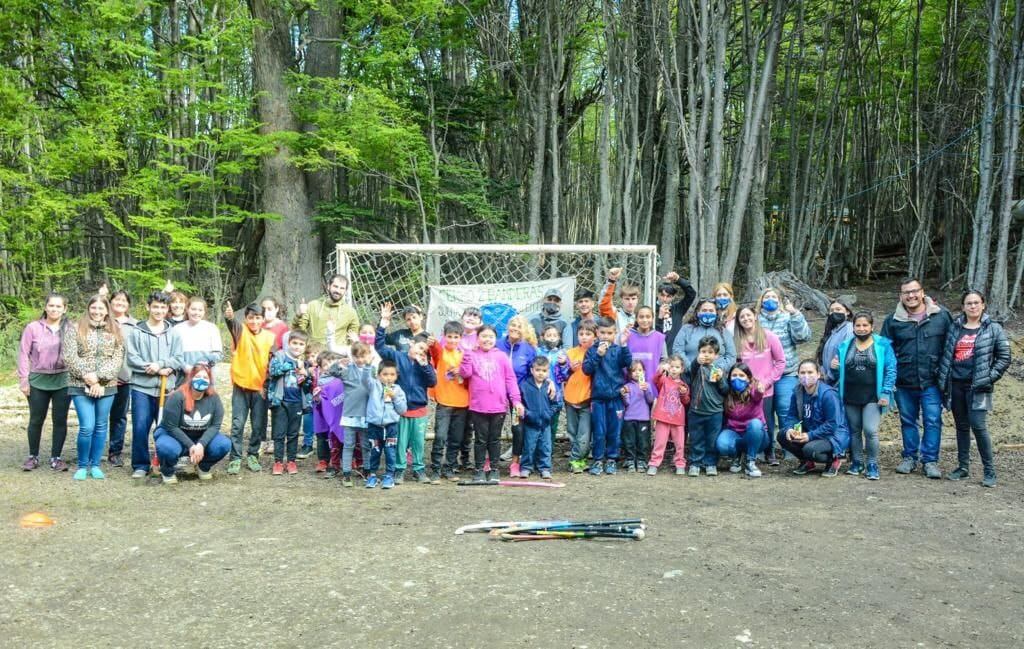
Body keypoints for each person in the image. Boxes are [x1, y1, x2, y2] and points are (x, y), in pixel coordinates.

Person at [880, 277, 953, 478]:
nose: (911, 296)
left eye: (914, 291)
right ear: (901, 296)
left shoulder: (942, 316)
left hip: (932, 381)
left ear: (922, 292)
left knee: (933, 420)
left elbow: (951, 346)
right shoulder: (892, 321)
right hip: (904, 382)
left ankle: (930, 461)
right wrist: (888, 381)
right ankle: (910, 457)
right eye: (906, 292)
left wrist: (947, 376)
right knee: (908, 421)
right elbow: (885, 351)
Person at [936, 291, 1010, 488]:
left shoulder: (993, 328)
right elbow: (946, 354)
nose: (973, 306)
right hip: (956, 385)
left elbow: (1004, 357)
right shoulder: (955, 327)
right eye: (969, 303)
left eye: (977, 303)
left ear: (983, 305)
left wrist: (988, 378)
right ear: (963, 307)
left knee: (978, 426)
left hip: (979, 387)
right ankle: (963, 467)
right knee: (961, 427)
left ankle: (989, 470)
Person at [64, 295, 125, 481]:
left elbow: (117, 359)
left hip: (107, 385)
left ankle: (96, 464)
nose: (97, 312)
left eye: (101, 308)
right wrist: (89, 378)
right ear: (88, 308)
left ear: (107, 310)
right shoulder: (75, 328)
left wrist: (99, 379)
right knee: (87, 426)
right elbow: (69, 356)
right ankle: (83, 465)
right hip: (80, 384)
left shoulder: (115, 330)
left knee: (101, 426)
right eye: (94, 308)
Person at [376, 302, 437, 484]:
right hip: (401, 408)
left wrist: (425, 365)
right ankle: (399, 469)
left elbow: (433, 381)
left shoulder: (424, 365)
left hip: (419, 408)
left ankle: (419, 469)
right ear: (410, 345)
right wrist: (383, 323)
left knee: (418, 442)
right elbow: (379, 346)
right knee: (400, 442)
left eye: (423, 351)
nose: (419, 352)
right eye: (418, 348)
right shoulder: (398, 357)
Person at [125, 291, 184, 478]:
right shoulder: (137, 331)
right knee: (141, 427)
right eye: (155, 307)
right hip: (141, 388)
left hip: (166, 389)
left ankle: (167, 463)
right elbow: (132, 358)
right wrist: (153, 368)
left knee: (166, 427)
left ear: (167, 310)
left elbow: (178, 358)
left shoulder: (173, 333)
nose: (159, 310)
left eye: (163, 307)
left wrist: (164, 365)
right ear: (148, 307)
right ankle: (141, 465)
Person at [834, 312, 897, 480]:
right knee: (854, 431)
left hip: (873, 396)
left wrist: (886, 392)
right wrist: (834, 367)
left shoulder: (883, 345)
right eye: (858, 326)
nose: (861, 329)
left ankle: (872, 463)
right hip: (849, 395)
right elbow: (837, 371)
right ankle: (857, 462)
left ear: (871, 326)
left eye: (865, 325)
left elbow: (891, 370)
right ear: (853, 327)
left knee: (870, 430)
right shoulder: (844, 346)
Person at [460, 324, 523, 483]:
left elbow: (510, 379)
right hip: (478, 406)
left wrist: (516, 400)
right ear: (477, 338)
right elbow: (465, 373)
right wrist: (467, 354)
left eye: (490, 337)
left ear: (495, 339)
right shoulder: (472, 354)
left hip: (498, 407)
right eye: (483, 336)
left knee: (495, 439)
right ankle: (479, 470)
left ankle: (494, 469)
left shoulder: (501, 356)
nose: (487, 339)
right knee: (480, 439)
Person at [757, 287, 812, 465]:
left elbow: (803, 337)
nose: (770, 300)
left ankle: (790, 446)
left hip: (787, 373)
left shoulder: (787, 317)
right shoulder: (755, 320)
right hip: (763, 376)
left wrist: (795, 314)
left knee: (786, 411)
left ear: (780, 301)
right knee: (764, 413)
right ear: (761, 301)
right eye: (767, 297)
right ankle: (767, 448)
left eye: (774, 297)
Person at [17, 293, 71, 472]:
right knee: (36, 419)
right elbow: (24, 354)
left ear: (64, 309)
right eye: (51, 306)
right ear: (46, 307)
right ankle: (33, 456)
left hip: (63, 380)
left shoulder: (70, 328)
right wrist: (24, 380)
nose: (54, 309)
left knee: (60, 420)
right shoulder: (33, 328)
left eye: (58, 306)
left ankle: (56, 457)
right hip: (38, 381)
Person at [153, 364, 232, 483]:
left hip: (199, 437)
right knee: (166, 448)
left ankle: (203, 467)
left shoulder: (214, 398)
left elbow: (215, 426)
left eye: (205, 378)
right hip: (174, 437)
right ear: (191, 378)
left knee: (223, 444)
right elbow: (171, 427)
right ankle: (167, 471)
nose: (201, 380)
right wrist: (191, 445)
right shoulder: (177, 397)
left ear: (210, 380)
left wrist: (201, 444)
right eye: (198, 376)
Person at [224, 301, 276, 474]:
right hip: (241, 386)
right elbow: (233, 325)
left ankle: (253, 455)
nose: (254, 321)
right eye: (251, 318)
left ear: (263, 319)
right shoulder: (241, 331)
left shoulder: (270, 337)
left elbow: (272, 364)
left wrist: (266, 385)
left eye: (258, 318)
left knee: (258, 425)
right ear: (246, 318)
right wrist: (230, 318)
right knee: (237, 424)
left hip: (260, 388)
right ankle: (235, 458)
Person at [778, 359, 850, 477]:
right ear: (798, 374)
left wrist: (809, 436)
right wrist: (790, 429)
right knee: (782, 435)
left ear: (818, 374)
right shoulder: (798, 392)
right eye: (802, 373)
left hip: (833, 435)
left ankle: (835, 459)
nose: (806, 376)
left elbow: (832, 424)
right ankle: (808, 462)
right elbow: (792, 415)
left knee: (810, 450)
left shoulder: (828, 394)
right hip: (811, 431)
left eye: (810, 372)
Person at [583, 316, 632, 475]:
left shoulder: (618, 349)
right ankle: (597, 460)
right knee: (599, 431)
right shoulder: (592, 350)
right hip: (598, 399)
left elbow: (628, 362)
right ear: (597, 332)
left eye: (609, 333)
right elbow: (586, 370)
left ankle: (612, 459)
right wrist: (598, 354)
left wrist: (624, 344)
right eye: (602, 332)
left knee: (614, 431)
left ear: (614, 333)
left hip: (616, 398)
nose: (605, 336)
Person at [497, 314, 539, 475]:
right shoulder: (498, 345)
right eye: (512, 325)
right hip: (497, 395)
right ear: (508, 327)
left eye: (519, 326)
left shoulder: (529, 349)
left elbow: (534, 372)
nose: (515, 328)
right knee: (493, 429)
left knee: (518, 429)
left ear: (524, 330)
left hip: (517, 397)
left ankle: (515, 462)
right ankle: (489, 460)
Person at [267, 330, 312, 475]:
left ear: (305, 347)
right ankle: (278, 462)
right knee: (279, 433)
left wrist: (305, 375)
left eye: (301, 344)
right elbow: (273, 371)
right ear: (288, 343)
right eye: (294, 343)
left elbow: (307, 386)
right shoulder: (279, 356)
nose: (297, 347)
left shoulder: (304, 363)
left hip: (297, 402)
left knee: (293, 433)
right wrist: (291, 366)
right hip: (280, 401)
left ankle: (291, 461)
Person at [429, 321, 469, 482]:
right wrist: (432, 344)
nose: (452, 340)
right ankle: (436, 470)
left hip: (462, 402)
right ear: (444, 337)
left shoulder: (465, 355)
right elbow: (435, 350)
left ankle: (450, 467)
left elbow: (470, 373)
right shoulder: (441, 352)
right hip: (444, 402)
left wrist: (462, 372)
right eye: (449, 337)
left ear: (461, 338)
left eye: (456, 337)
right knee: (440, 436)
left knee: (456, 438)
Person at [733, 307, 786, 428]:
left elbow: (780, 362)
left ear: (755, 316)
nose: (746, 318)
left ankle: (769, 447)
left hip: (765, 390)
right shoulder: (736, 341)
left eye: (748, 315)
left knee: (767, 425)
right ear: (738, 321)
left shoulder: (769, 336)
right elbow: (735, 367)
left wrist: (767, 382)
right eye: (742, 317)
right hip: (744, 391)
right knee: (749, 425)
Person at [686, 337, 730, 476]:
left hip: (715, 412)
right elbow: (691, 370)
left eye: (710, 352)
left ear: (716, 355)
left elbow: (725, 391)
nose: (706, 354)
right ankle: (695, 462)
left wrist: (721, 380)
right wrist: (696, 362)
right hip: (696, 411)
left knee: (712, 439)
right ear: (698, 353)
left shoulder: (719, 370)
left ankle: (710, 463)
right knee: (696, 438)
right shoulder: (696, 368)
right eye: (703, 351)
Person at [555, 320, 595, 474]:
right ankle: (577, 460)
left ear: (595, 336)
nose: (584, 337)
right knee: (572, 431)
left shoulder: (595, 353)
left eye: (588, 334)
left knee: (584, 433)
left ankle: (576, 458)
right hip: (570, 398)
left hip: (587, 399)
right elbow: (561, 376)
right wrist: (568, 367)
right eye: (581, 334)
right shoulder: (570, 353)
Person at [717, 363, 770, 478]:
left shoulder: (753, 391)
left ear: (748, 378)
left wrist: (760, 391)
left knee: (755, 424)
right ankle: (737, 456)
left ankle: (750, 461)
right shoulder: (727, 393)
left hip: (757, 436)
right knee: (721, 444)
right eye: (734, 375)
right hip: (735, 433)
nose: (737, 378)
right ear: (729, 377)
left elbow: (757, 395)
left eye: (741, 375)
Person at [364, 359, 408, 489]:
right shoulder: (374, 386)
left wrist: (394, 397)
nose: (388, 377)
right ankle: (372, 475)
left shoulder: (398, 390)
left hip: (391, 427)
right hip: (374, 426)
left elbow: (402, 410)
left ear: (396, 376)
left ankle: (389, 475)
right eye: (385, 374)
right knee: (374, 451)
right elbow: (365, 380)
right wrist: (367, 366)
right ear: (378, 375)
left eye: (392, 374)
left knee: (390, 452)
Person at [106, 289, 137, 467]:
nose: (120, 303)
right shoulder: (103, 321)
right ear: (110, 302)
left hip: (127, 378)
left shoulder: (136, 325)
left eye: (124, 300)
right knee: (100, 416)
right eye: (116, 300)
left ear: (128, 304)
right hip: (104, 378)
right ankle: (92, 451)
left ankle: (115, 452)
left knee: (120, 416)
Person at [646, 355, 690, 475]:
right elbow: (655, 380)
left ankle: (680, 463)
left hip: (678, 420)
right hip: (662, 418)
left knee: (680, 444)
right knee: (659, 442)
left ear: (682, 369)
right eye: (671, 366)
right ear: (668, 368)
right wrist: (661, 370)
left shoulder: (684, 385)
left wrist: (684, 394)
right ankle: (654, 463)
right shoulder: (664, 380)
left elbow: (686, 401)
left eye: (677, 367)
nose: (674, 369)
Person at [518, 357, 558, 479]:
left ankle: (545, 468)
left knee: (545, 446)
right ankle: (526, 467)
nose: (541, 373)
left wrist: (548, 414)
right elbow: (520, 404)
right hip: (530, 423)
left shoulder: (549, 387)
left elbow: (556, 404)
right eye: (538, 370)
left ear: (548, 372)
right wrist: (527, 414)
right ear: (532, 370)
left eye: (544, 370)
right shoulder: (524, 385)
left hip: (545, 423)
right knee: (529, 446)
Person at [294, 273, 360, 346]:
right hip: (314, 354)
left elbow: (353, 339)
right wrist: (298, 315)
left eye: (342, 288)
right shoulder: (313, 305)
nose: (338, 291)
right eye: (335, 286)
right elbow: (298, 332)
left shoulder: (350, 312)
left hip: (337, 355)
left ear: (345, 291)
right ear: (328, 286)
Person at [341, 343, 376, 483]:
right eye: (357, 356)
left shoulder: (373, 370)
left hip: (366, 413)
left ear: (368, 355)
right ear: (352, 356)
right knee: (348, 444)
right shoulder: (348, 369)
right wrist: (339, 364)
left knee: (366, 444)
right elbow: (331, 372)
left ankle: (367, 470)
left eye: (363, 356)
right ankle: (346, 473)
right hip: (350, 412)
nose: (360, 359)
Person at [671, 299, 736, 370]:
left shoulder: (723, 332)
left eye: (711, 311)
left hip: (716, 376)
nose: (708, 313)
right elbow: (677, 350)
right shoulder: (686, 329)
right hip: (690, 376)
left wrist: (719, 369)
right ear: (698, 313)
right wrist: (691, 368)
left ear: (716, 313)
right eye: (704, 310)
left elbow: (731, 356)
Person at [312, 351, 345, 478]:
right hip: (326, 416)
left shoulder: (343, 377)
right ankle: (324, 460)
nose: (330, 367)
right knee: (324, 438)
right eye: (326, 365)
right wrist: (317, 398)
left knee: (343, 436)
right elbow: (319, 400)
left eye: (332, 363)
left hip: (341, 414)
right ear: (320, 368)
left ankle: (348, 460)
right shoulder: (321, 382)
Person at [623, 306, 668, 397]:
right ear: (636, 318)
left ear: (652, 318)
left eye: (648, 317)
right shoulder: (628, 335)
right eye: (641, 317)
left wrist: (660, 372)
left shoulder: (659, 337)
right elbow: (622, 359)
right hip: (631, 388)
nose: (644, 320)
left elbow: (664, 360)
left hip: (652, 387)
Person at [535, 324, 566, 451]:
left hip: (556, 395)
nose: (552, 338)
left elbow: (565, 376)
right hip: (539, 394)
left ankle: (549, 452)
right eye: (548, 335)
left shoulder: (561, 353)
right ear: (543, 337)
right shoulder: (537, 352)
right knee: (538, 424)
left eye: (555, 336)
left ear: (559, 338)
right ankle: (536, 451)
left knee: (552, 424)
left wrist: (564, 364)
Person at [177, 296, 224, 379]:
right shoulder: (178, 329)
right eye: (193, 309)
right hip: (183, 376)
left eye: (200, 310)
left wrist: (202, 365)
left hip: (205, 375)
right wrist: (184, 367)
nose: (196, 313)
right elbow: (174, 354)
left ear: (204, 312)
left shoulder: (211, 328)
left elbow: (218, 354)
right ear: (187, 309)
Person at [620, 360, 654, 472]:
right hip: (629, 418)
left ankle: (641, 460)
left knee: (643, 441)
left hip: (643, 418)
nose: (637, 373)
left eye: (639, 370)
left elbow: (650, 400)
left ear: (644, 372)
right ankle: (630, 460)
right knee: (629, 441)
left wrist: (646, 390)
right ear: (629, 374)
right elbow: (627, 403)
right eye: (633, 370)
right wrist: (624, 395)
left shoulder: (647, 385)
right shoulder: (627, 386)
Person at [655, 272, 697, 352]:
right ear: (658, 294)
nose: (664, 299)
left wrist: (678, 279)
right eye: (662, 295)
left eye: (668, 296)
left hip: (674, 355)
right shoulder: (651, 308)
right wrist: (660, 317)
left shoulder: (678, 309)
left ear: (673, 297)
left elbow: (691, 294)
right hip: (657, 353)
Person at [817, 299, 854, 384]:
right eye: (831, 310)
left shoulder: (849, 329)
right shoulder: (833, 330)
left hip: (839, 381)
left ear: (847, 312)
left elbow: (845, 356)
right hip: (827, 379)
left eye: (838, 309)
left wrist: (829, 376)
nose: (834, 312)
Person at [598, 267, 640, 332]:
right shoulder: (615, 314)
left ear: (637, 300)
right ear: (622, 299)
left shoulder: (641, 317)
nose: (630, 302)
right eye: (627, 299)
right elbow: (603, 304)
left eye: (633, 299)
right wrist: (611, 280)